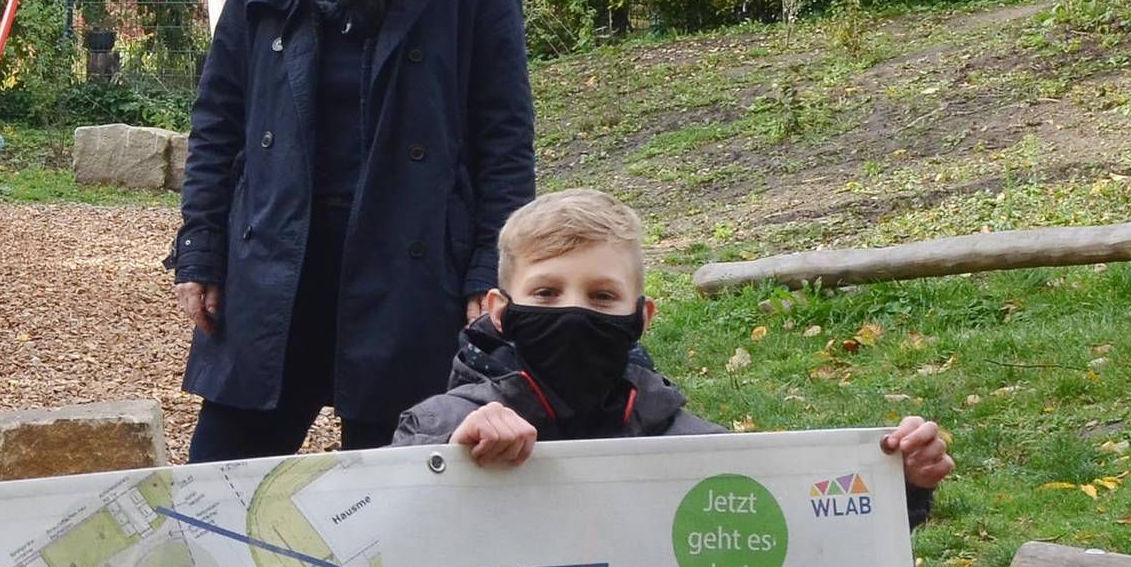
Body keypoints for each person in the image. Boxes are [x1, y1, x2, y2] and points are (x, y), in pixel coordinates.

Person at [172, 0, 537, 463]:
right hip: (278, 258)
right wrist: (200, 250)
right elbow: (219, 118)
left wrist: (489, 270)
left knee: (396, 490)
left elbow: (504, 140)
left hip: (409, 267)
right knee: (222, 485)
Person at [394, 189, 953, 524]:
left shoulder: (694, 448)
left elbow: (802, 542)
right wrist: (450, 456)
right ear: (498, 310)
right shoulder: (439, 425)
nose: (574, 312)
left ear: (643, 315)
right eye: (545, 293)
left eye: (603, 296)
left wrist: (898, 484)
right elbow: (379, 529)